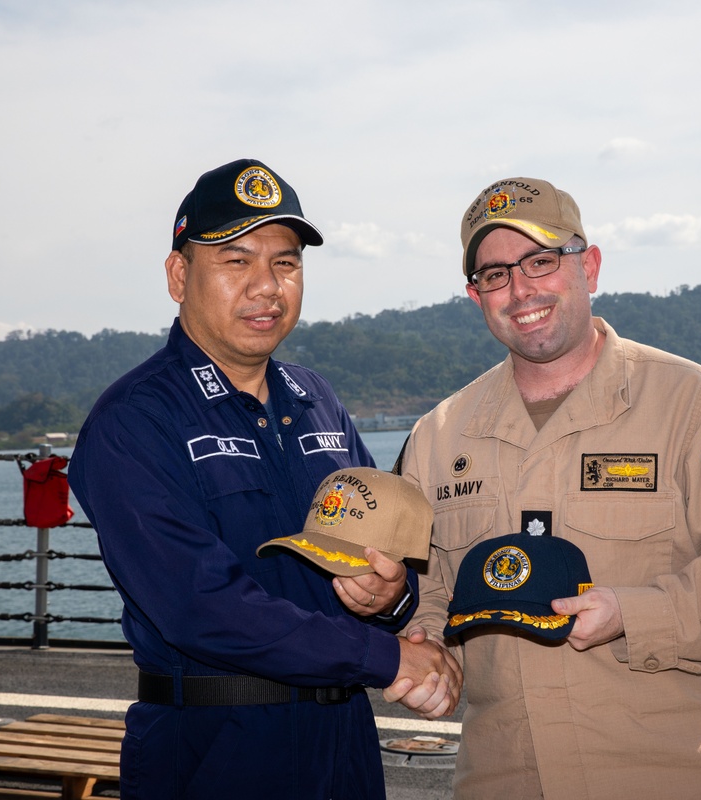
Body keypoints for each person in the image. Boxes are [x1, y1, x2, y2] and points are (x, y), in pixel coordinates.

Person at [390, 176, 701, 799]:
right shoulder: (438, 436)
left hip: (674, 775)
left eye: (540, 261)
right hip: (504, 778)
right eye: (495, 275)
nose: (520, 289)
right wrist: (428, 656)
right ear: (474, 294)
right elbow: (428, 591)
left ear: (588, 265)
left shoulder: (693, 405)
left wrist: (635, 614)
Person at [68, 158, 460, 800]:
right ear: (178, 275)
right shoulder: (136, 420)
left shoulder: (317, 399)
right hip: (215, 749)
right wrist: (389, 659)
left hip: (343, 745)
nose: (267, 286)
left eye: (285, 262)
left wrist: (391, 602)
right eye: (235, 261)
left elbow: (392, 544)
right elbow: (199, 607)